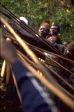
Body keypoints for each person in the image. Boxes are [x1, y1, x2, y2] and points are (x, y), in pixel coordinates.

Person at [0, 36, 59, 112]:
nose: (50, 41)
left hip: (40, 83)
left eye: (52, 41)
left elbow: (38, 104)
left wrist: (14, 59)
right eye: (49, 40)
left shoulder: (53, 55)